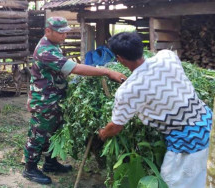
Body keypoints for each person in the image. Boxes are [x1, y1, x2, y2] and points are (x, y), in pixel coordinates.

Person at [98, 32, 213, 188]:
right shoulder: (167, 56)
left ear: (120, 59)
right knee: (207, 173)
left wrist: (103, 133)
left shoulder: (128, 90)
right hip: (209, 122)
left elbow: (117, 126)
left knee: (177, 181)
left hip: (187, 139)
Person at [23, 17, 127, 185]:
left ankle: (50, 163)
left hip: (53, 97)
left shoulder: (53, 45)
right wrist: (106, 71)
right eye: (61, 33)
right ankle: (30, 168)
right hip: (44, 100)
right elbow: (75, 68)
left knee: (54, 130)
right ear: (48, 31)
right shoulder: (45, 51)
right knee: (38, 133)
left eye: (66, 33)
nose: (64, 36)